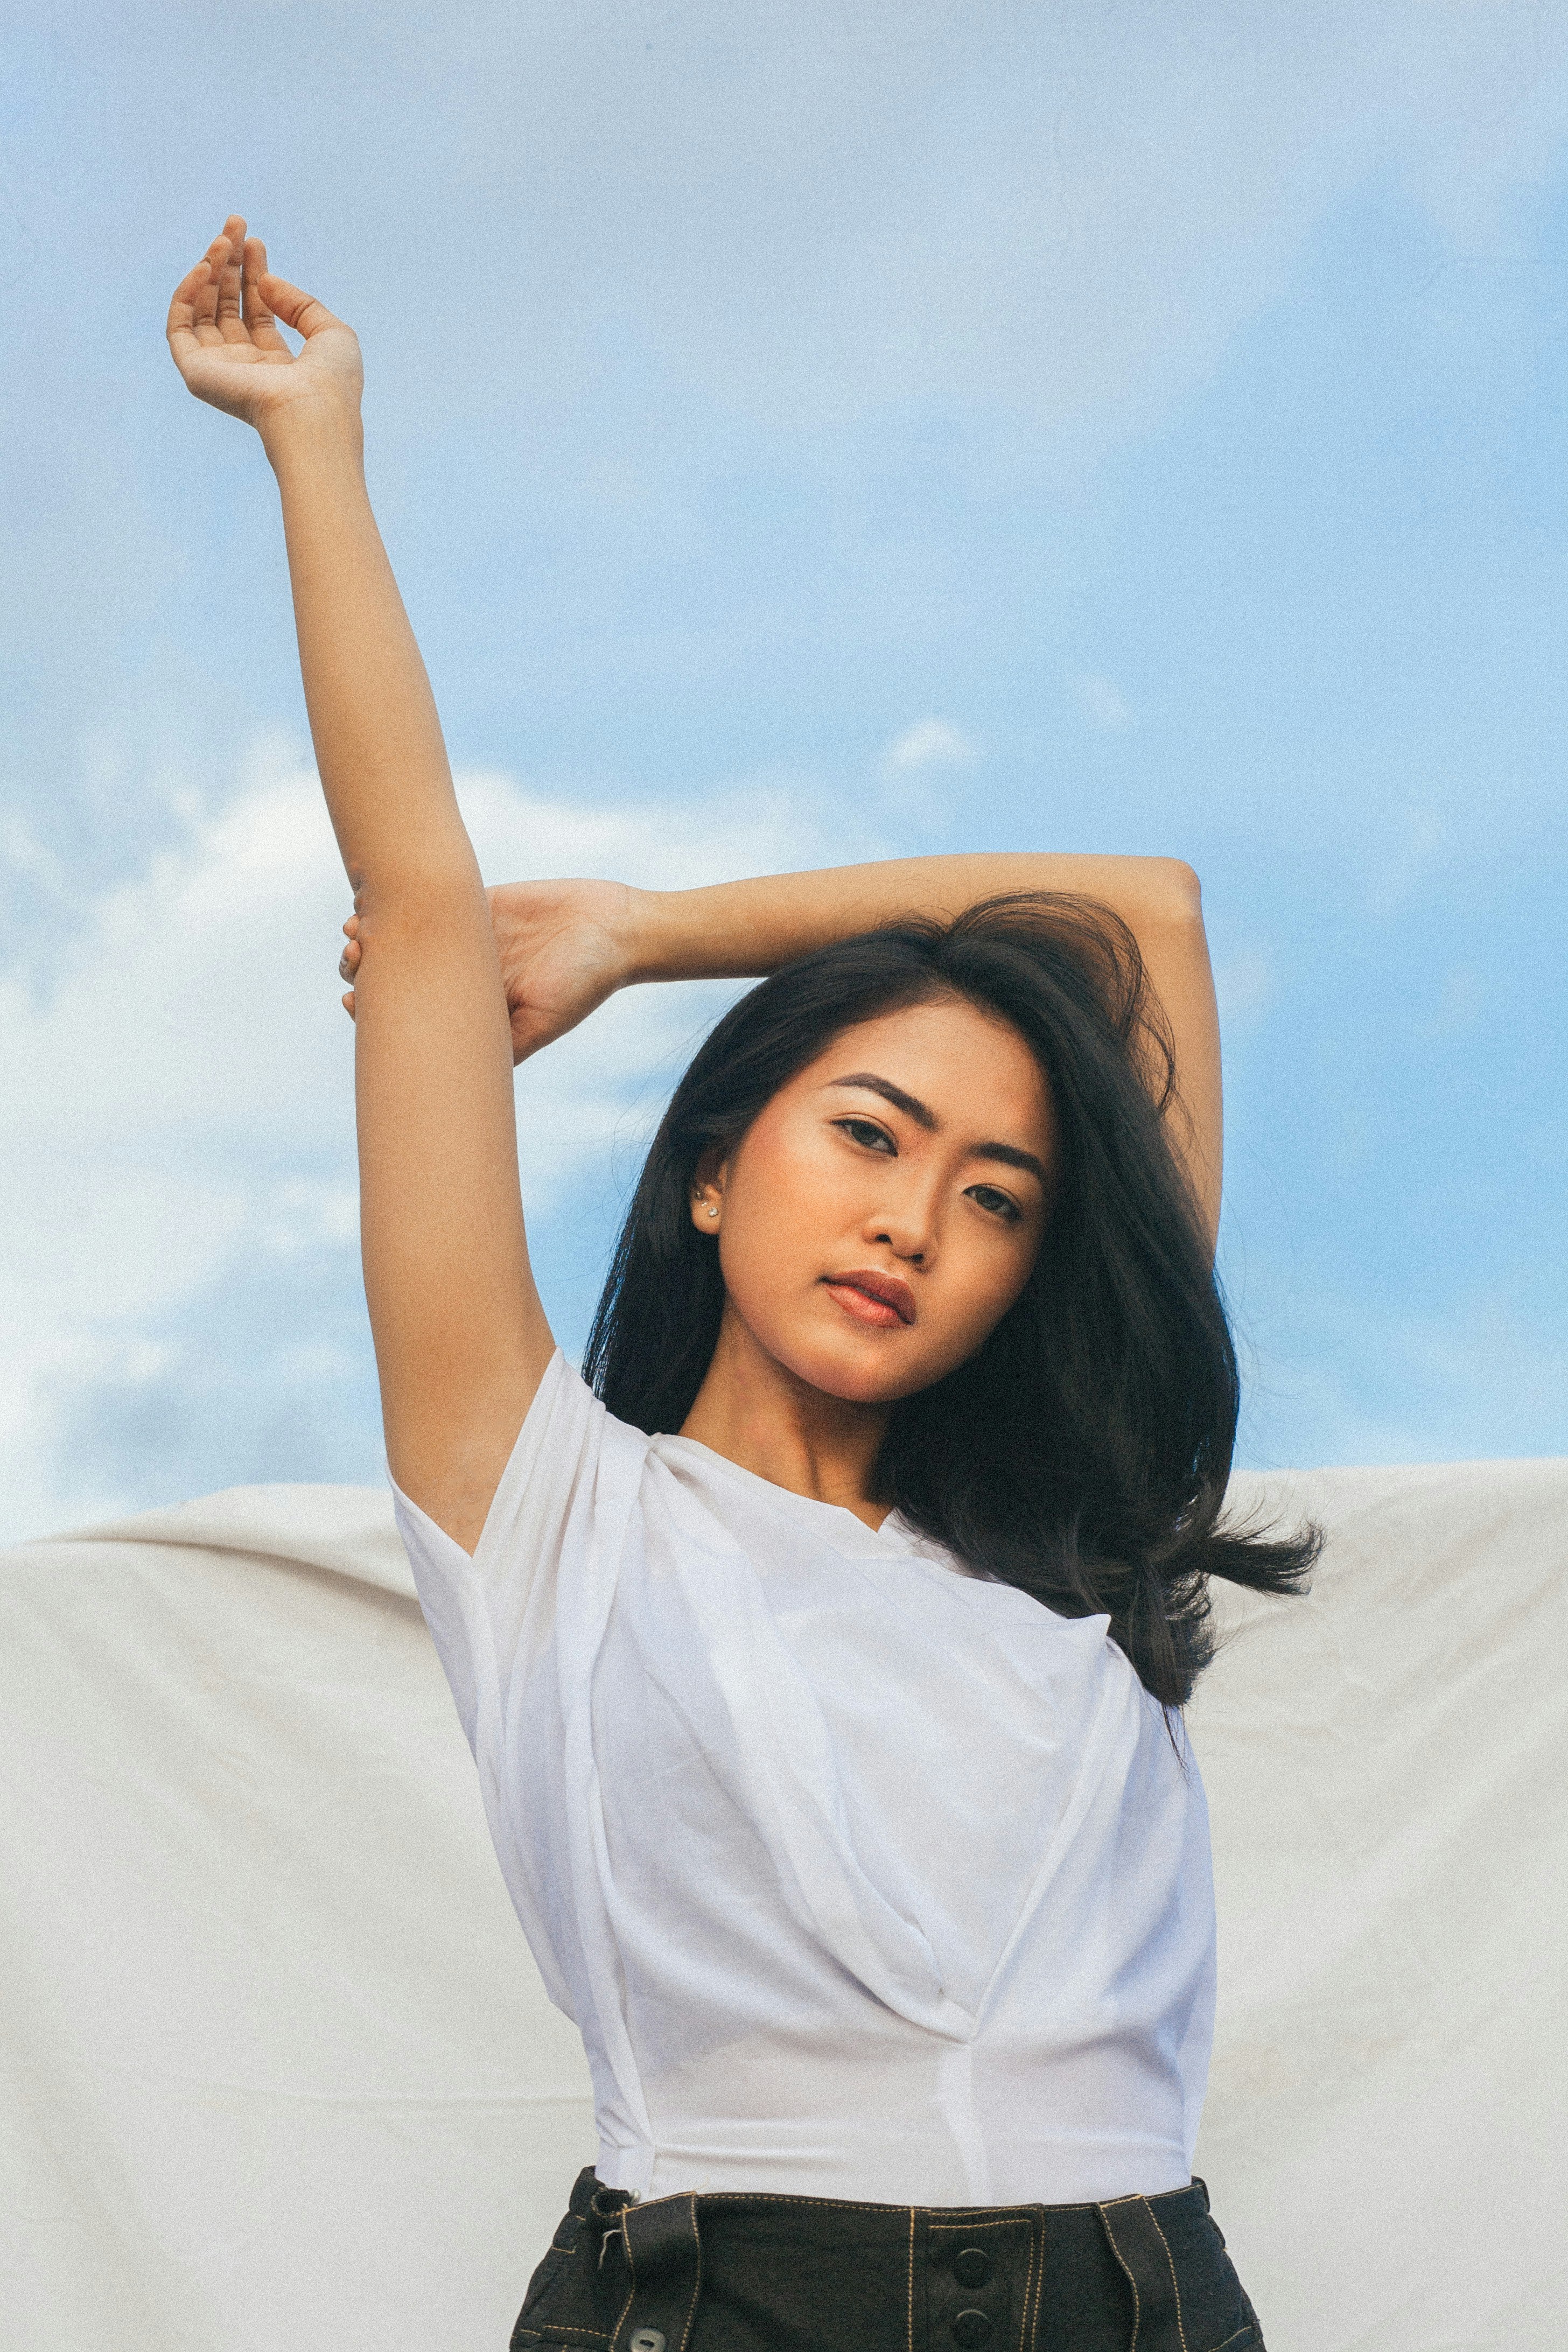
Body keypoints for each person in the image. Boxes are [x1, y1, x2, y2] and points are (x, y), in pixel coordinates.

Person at [167, 216, 1313, 2352]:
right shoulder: (551, 1514)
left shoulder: (1073, 1532)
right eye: (865, 1134)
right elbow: (421, 903)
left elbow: (1130, 917)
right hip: (720, 2307)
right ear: (714, 1169)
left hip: (1139, 2297)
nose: (909, 1220)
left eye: (992, 1195)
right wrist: (314, 447)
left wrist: (649, 926)